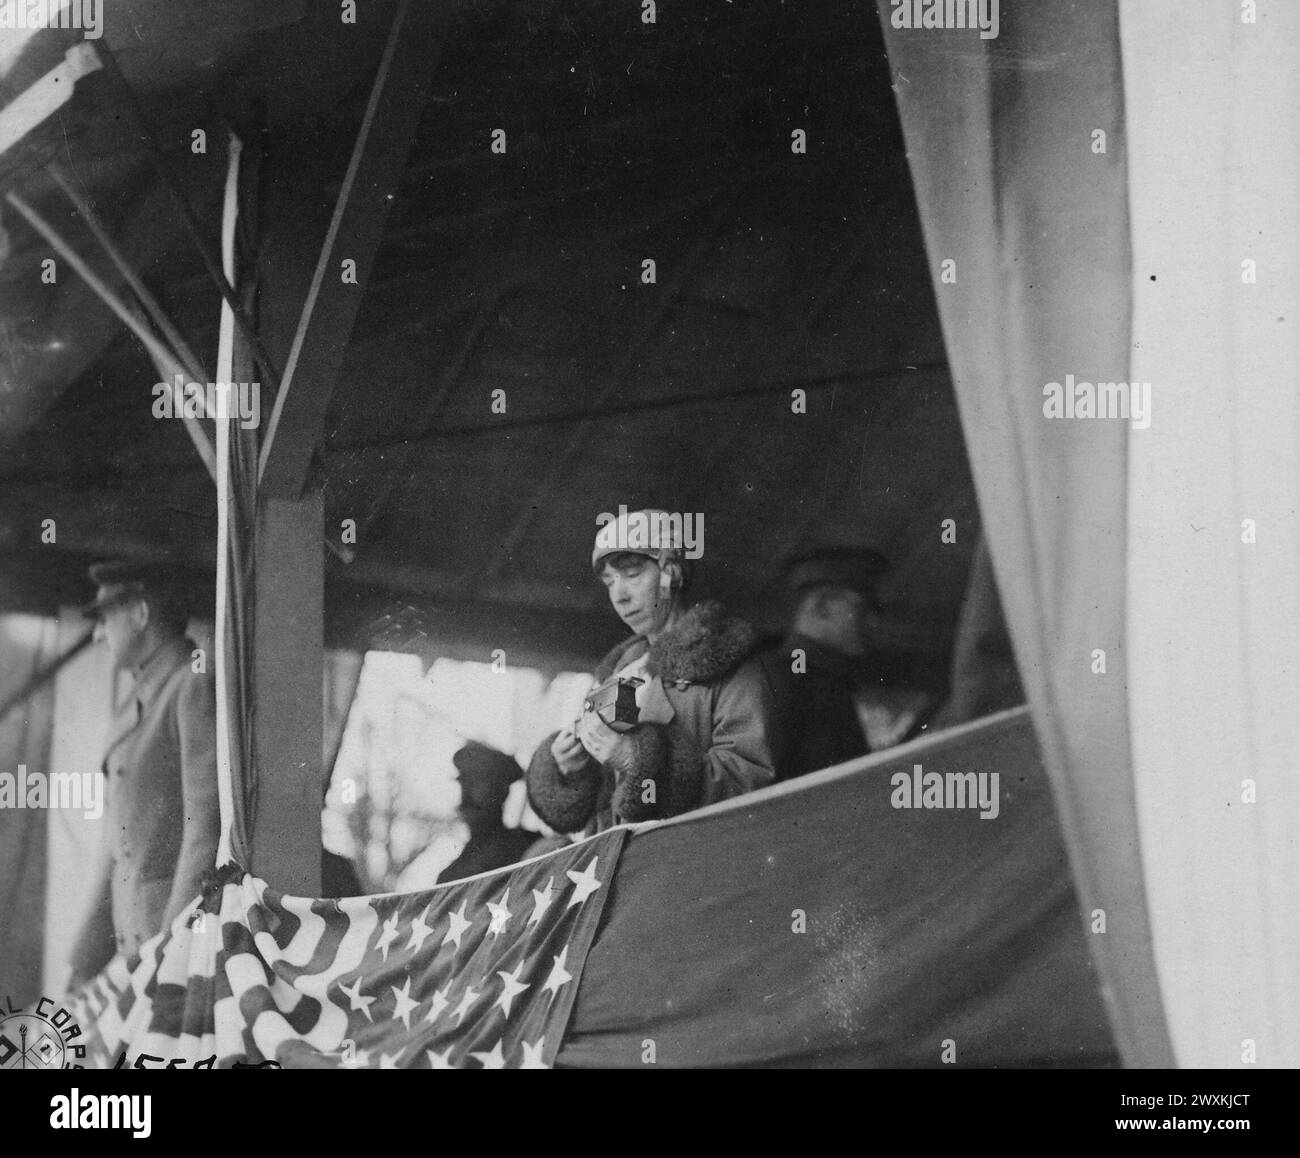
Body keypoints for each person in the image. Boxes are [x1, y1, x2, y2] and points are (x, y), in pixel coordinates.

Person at [526, 508, 780, 836]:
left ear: (670, 573)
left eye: (632, 573)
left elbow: (752, 782)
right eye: (609, 581)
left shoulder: (730, 662)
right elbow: (603, 813)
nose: (619, 594)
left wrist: (636, 759)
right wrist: (575, 769)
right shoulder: (617, 672)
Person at [66, 561, 220, 987]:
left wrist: (170, 953)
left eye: (105, 618)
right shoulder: (137, 701)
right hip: (137, 957)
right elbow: (116, 848)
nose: (98, 634)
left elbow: (203, 831)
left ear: (140, 614)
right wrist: (83, 963)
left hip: (176, 956)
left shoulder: (192, 684)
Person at [770, 545, 936, 780]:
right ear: (822, 606)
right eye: (861, 609)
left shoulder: (820, 679)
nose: (872, 624)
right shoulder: (783, 682)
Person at [436, 742, 536, 883]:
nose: (467, 795)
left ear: (502, 791)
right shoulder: (450, 877)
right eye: (464, 783)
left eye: (477, 783)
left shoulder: (531, 849)